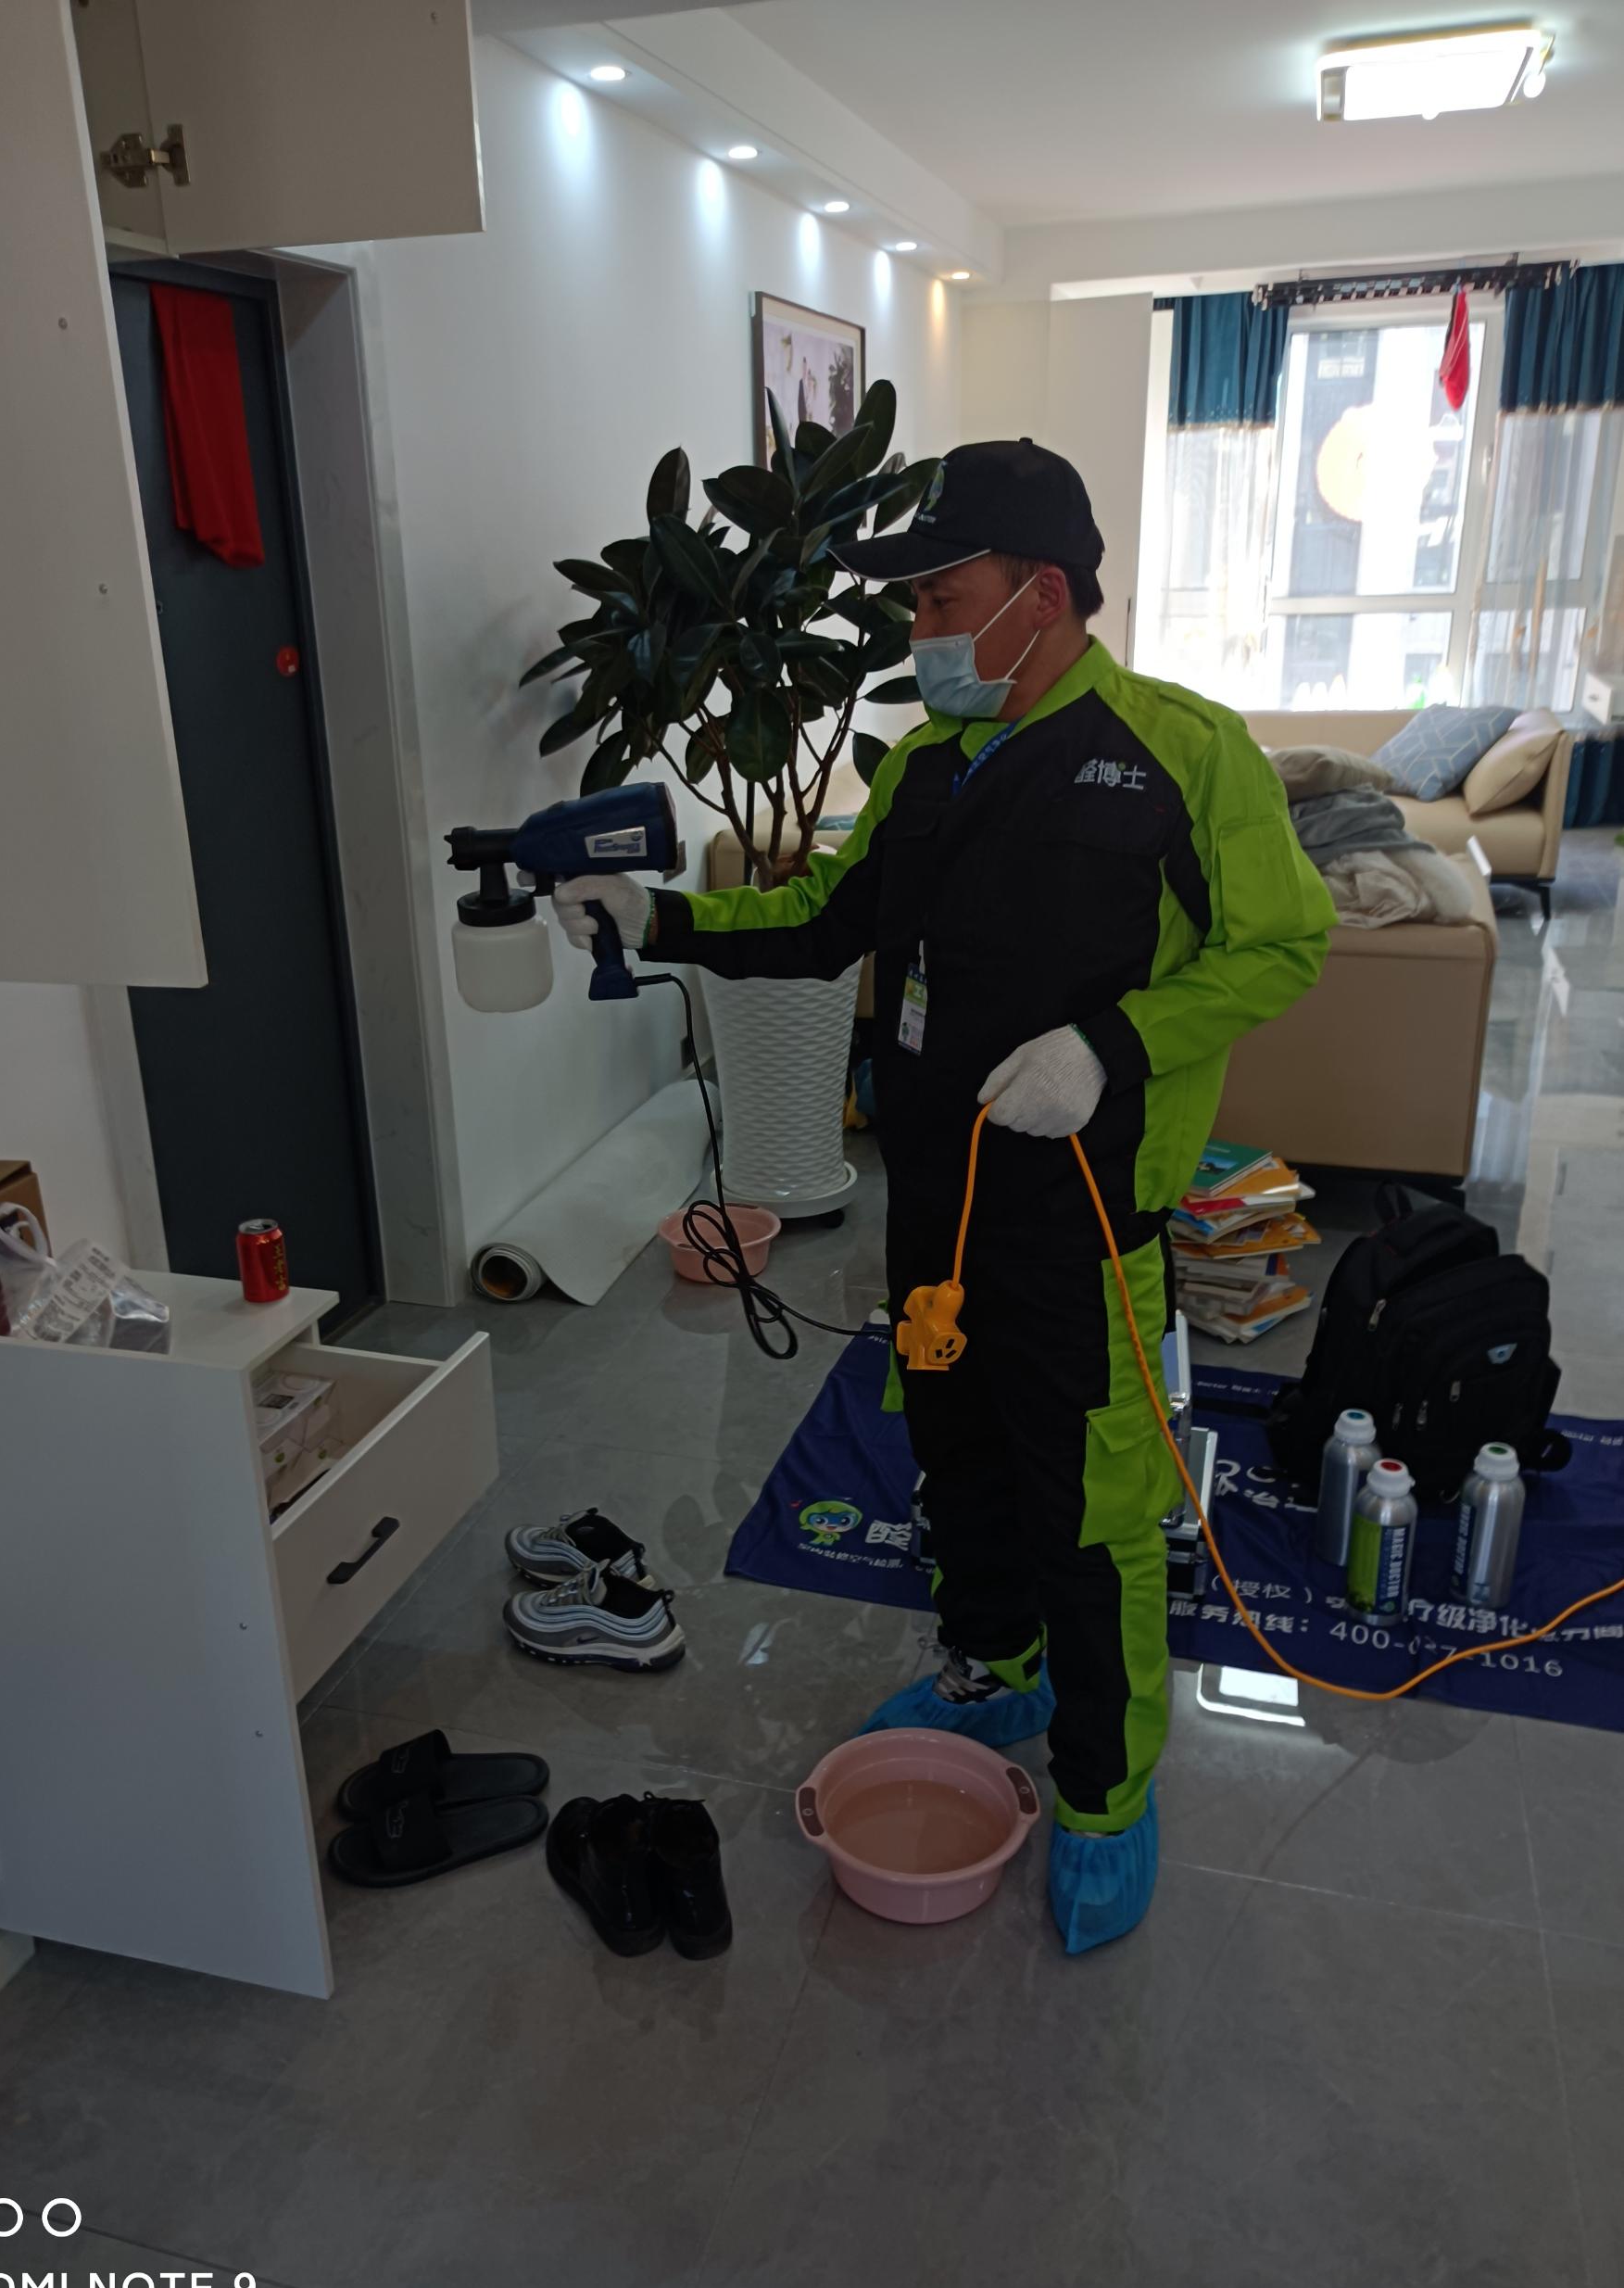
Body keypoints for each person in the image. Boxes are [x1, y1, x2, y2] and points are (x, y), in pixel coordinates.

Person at [554, 439, 1336, 1953]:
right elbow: (817, 919)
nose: (918, 631)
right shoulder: (922, 767)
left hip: (1084, 1227)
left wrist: (1113, 1045)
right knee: (959, 1465)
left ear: (1042, 595)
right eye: (911, 603)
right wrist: (660, 919)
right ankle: (995, 1668)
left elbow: (1286, 945)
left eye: (941, 599)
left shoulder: (1182, 755)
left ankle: (1104, 1794)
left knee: (1095, 1517)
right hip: (935, 1214)